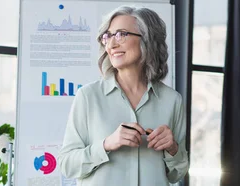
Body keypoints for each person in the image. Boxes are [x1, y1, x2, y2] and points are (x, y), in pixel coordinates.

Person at [57, 6, 189, 186]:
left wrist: (172, 149)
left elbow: (176, 175)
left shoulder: (172, 101)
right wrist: (106, 144)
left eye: (121, 34)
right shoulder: (88, 97)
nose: (111, 44)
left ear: (147, 39)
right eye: (107, 36)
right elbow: (67, 165)